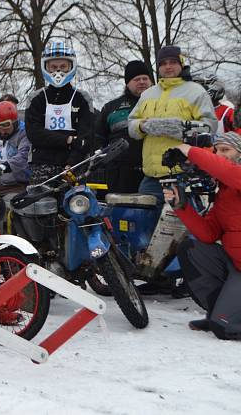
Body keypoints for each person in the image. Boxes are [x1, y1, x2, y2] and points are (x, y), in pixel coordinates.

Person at [165, 132, 241, 340]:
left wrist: (188, 150)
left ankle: (225, 318)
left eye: (226, 150)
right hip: (237, 266)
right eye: (217, 151)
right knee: (192, 250)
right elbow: (208, 234)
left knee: (225, 329)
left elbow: (225, 170)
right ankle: (220, 312)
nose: (219, 155)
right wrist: (181, 206)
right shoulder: (225, 193)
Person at [128, 45, 217, 205]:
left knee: (183, 228)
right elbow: (131, 126)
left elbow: (210, 127)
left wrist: (181, 128)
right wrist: (143, 126)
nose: (168, 66)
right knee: (147, 226)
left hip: (184, 176)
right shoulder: (147, 94)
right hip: (151, 178)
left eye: (173, 62)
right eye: (163, 63)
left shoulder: (196, 92)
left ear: (181, 63)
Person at [25, 41, 94, 184]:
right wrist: (68, 140)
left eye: (63, 67)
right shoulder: (36, 98)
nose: (58, 71)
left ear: (71, 66)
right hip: (42, 165)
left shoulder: (82, 98)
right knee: (42, 205)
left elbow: (85, 137)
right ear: (46, 67)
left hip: (75, 166)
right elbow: (34, 134)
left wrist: (71, 164)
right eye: (53, 67)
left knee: (77, 204)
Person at [95, 61, 153, 194]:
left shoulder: (160, 103)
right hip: (119, 173)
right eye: (136, 79)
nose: (142, 82)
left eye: (145, 78)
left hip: (153, 170)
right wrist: (104, 161)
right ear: (127, 83)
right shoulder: (111, 108)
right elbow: (98, 138)